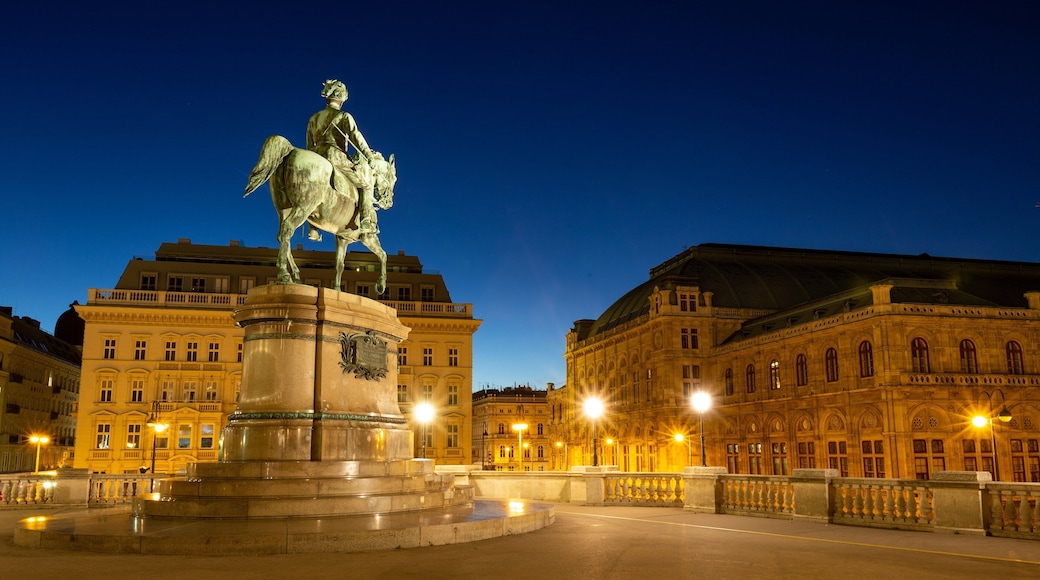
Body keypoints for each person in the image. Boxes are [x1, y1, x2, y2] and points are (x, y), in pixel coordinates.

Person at [305, 79, 379, 241]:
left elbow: (309, 144)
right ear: (341, 98)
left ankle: (312, 227)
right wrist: (369, 156)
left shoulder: (313, 118)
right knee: (365, 186)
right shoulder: (343, 116)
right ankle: (366, 222)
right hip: (336, 156)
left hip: (315, 156)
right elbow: (356, 136)